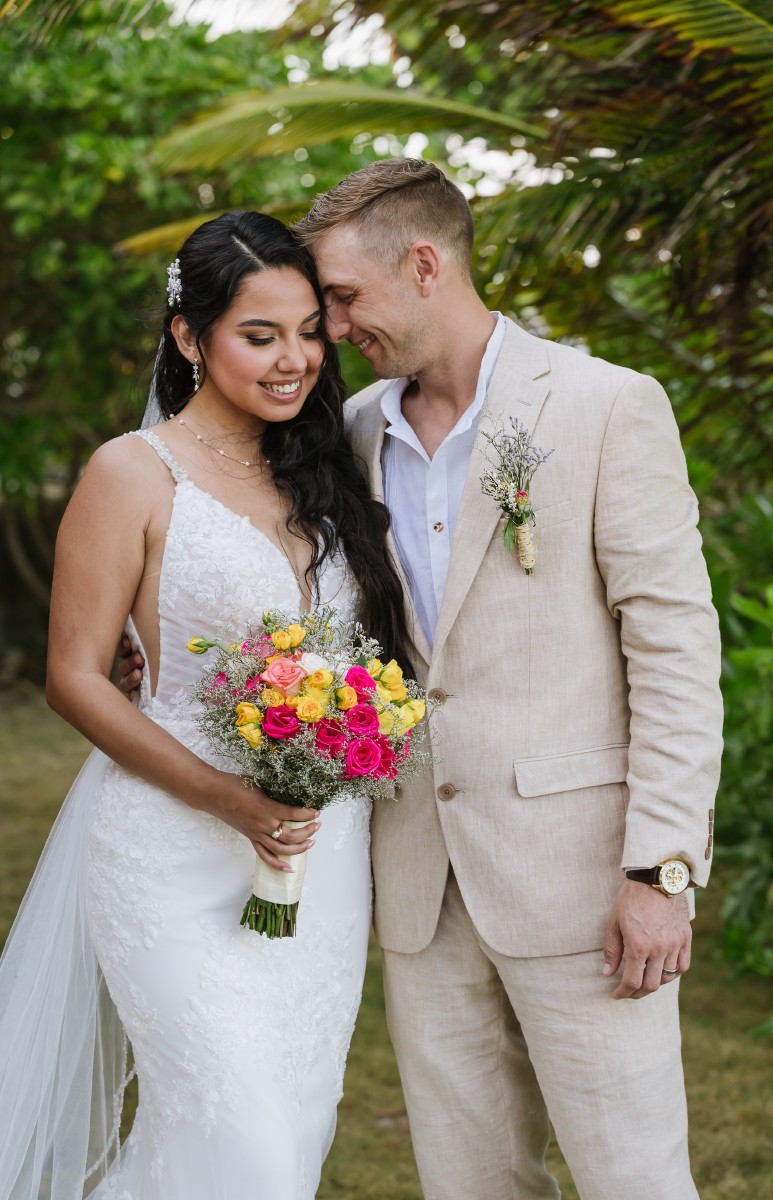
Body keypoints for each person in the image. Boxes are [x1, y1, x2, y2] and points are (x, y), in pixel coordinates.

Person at [290, 159, 723, 1200]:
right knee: (468, 1182)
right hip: (421, 887)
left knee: (632, 1178)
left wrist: (658, 872)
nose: (333, 330)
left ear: (425, 265)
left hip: (582, 884)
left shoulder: (604, 405)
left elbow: (673, 651)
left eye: (343, 298)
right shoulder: (352, 435)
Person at [0, 210, 411, 1200]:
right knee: (245, 1150)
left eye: (309, 330)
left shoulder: (324, 474)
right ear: (189, 337)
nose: (294, 360)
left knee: (288, 1131)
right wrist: (229, 799)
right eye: (258, 335)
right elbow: (75, 676)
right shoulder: (131, 473)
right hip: (170, 849)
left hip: (321, 855)